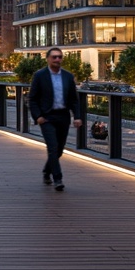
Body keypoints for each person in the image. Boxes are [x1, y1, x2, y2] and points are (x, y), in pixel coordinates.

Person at [27, 47, 82, 192]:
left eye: (59, 57)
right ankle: (58, 179)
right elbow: (32, 99)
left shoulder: (68, 76)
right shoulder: (40, 75)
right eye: (54, 57)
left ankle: (47, 170)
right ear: (48, 59)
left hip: (63, 116)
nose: (57, 60)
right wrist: (38, 116)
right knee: (52, 147)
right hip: (47, 118)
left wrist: (77, 117)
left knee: (59, 150)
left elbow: (74, 100)